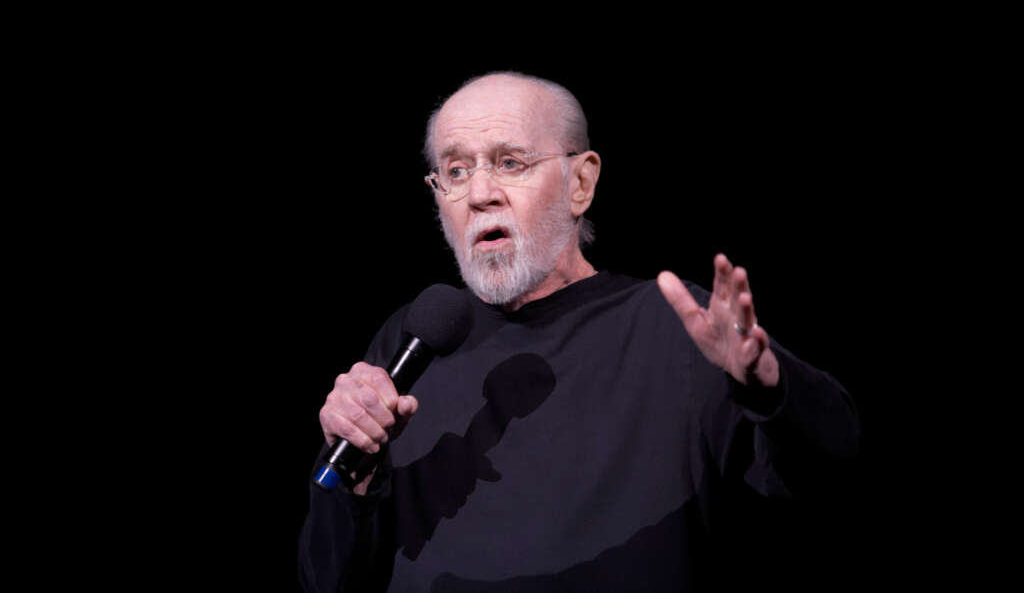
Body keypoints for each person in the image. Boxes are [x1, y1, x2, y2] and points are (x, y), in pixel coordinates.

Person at [298, 72, 860, 592]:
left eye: (510, 162)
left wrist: (770, 389)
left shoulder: (677, 325)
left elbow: (833, 471)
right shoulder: (413, 340)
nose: (479, 194)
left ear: (581, 182)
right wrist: (356, 476)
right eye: (455, 171)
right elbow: (327, 579)